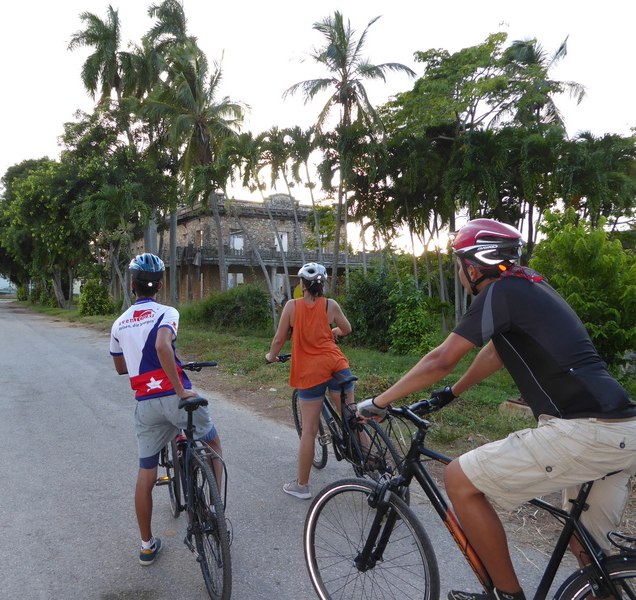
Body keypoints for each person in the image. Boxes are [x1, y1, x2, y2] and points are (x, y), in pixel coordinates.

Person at [357, 218, 636, 600]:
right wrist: (451, 393)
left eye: (459, 265)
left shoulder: (499, 292)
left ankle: (507, 595)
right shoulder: (530, 285)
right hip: (622, 428)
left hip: (584, 430)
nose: (459, 274)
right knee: (590, 556)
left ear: (473, 267)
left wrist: (378, 402)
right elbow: (495, 352)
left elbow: (441, 359)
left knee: (458, 480)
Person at [110, 253, 223, 567]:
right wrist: (179, 389)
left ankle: (146, 546)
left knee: (146, 472)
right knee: (213, 442)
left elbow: (120, 367)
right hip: (174, 397)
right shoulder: (166, 312)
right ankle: (215, 509)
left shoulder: (119, 323)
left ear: (132, 285)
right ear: (160, 285)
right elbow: (162, 346)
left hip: (145, 404)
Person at [266, 262, 354, 500]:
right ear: (322, 285)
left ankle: (302, 486)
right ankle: (373, 466)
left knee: (309, 431)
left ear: (302, 285)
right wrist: (332, 332)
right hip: (338, 365)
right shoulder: (330, 305)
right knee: (352, 419)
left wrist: (271, 357)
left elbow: (279, 339)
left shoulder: (292, 306)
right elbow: (346, 329)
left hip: (310, 372)